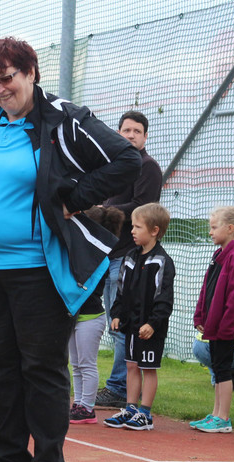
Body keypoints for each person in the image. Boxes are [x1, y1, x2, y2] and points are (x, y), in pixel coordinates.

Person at [0, 36, 141, 462]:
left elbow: (127, 160)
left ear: (31, 72)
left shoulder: (63, 118)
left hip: (39, 268)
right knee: (1, 369)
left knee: (41, 367)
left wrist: (72, 199)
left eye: (7, 78)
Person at [96, 111, 163, 409]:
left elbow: (142, 208)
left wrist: (104, 213)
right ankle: (119, 385)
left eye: (137, 131)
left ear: (145, 136)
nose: (131, 135)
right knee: (114, 322)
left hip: (127, 257)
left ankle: (119, 387)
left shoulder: (147, 167)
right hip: (108, 253)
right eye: (126, 130)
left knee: (121, 322)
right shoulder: (115, 165)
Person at [103, 203, 175, 431]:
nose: (132, 231)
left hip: (150, 328)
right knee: (131, 366)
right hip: (131, 326)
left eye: (137, 227)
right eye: (132, 226)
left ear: (154, 231)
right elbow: (121, 290)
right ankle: (130, 408)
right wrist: (116, 314)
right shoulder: (130, 257)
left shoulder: (162, 261)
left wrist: (153, 323)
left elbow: (164, 298)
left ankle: (145, 413)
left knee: (148, 368)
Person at [186, 207, 234, 433]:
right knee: (217, 368)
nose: (210, 232)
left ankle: (223, 417)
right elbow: (207, 288)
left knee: (223, 369)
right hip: (215, 324)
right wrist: (200, 315)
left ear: (230, 228)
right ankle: (215, 414)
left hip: (225, 328)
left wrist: (226, 325)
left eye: (214, 227)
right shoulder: (218, 256)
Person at [69, 206, 124, 425]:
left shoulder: (101, 260)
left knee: (86, 364)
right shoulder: (82, 256)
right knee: (76, 364)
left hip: (90, 318)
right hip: (74, 316)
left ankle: (87, 407)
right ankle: (79, 403)